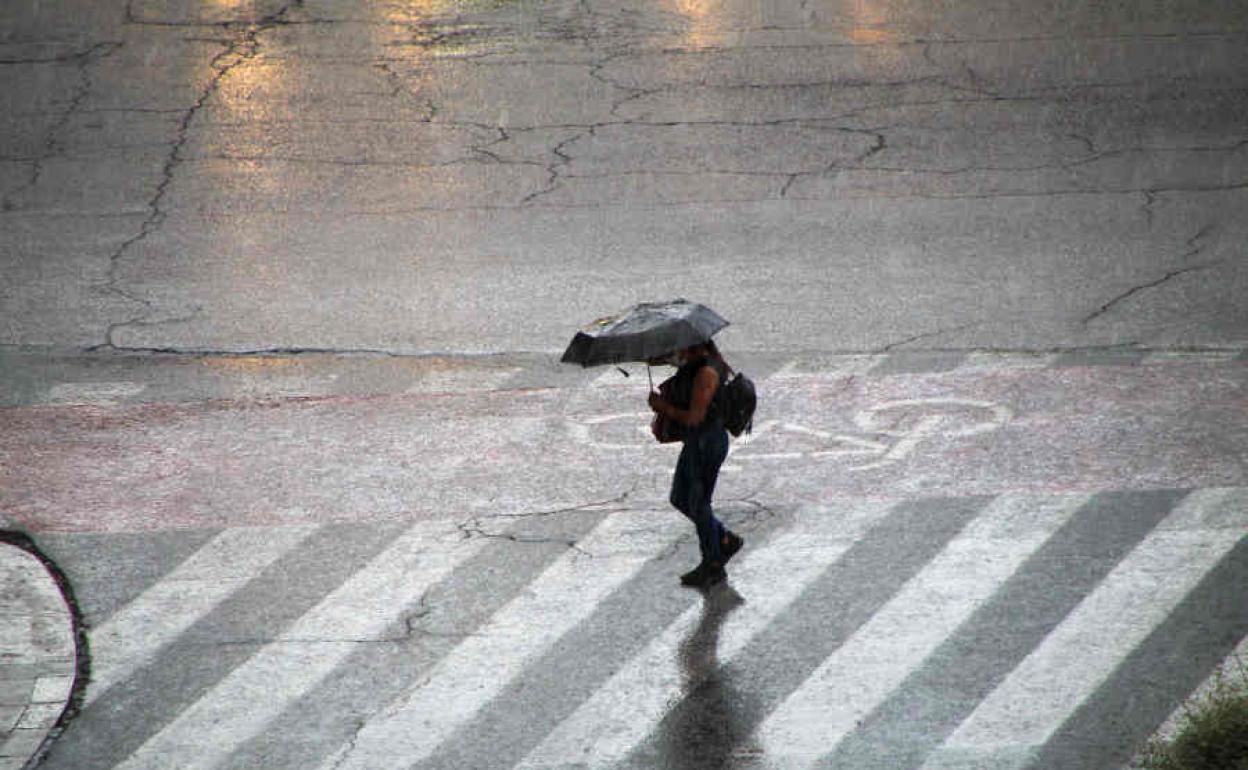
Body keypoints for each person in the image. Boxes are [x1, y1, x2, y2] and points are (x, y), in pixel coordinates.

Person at [647, 339, 744, 588]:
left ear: (694, 347)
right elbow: (668, 360)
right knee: (679, 497)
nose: (677, 353)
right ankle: (723, 537)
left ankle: (712, 564)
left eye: (680, 348)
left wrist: (663, 407)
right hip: (697, 442)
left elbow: (694, 418)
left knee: (698, 503)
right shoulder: (695, 363)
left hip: (707, 442)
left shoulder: (707, 373)